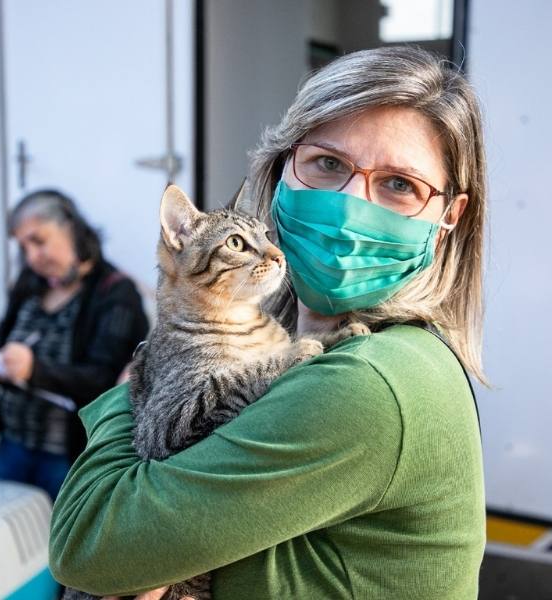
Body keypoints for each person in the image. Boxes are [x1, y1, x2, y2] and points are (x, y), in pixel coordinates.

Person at [49, 46, 487, 599]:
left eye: (399, 184)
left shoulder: (369, 383)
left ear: (449, 218)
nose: (350, 206)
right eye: (329, 164)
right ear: (281, 175)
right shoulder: (307, 344)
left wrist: (137, 379)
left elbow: (86, 545)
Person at [0, 189, 149, 501]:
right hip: (12, 443)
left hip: (68, 457)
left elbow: (105, 381)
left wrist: (33, 370)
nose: (31, 257)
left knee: (60, 532)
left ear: (71, 229)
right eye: (23, 247)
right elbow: (3, 342)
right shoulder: (29, 282)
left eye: (39, 241)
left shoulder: (116, 293)